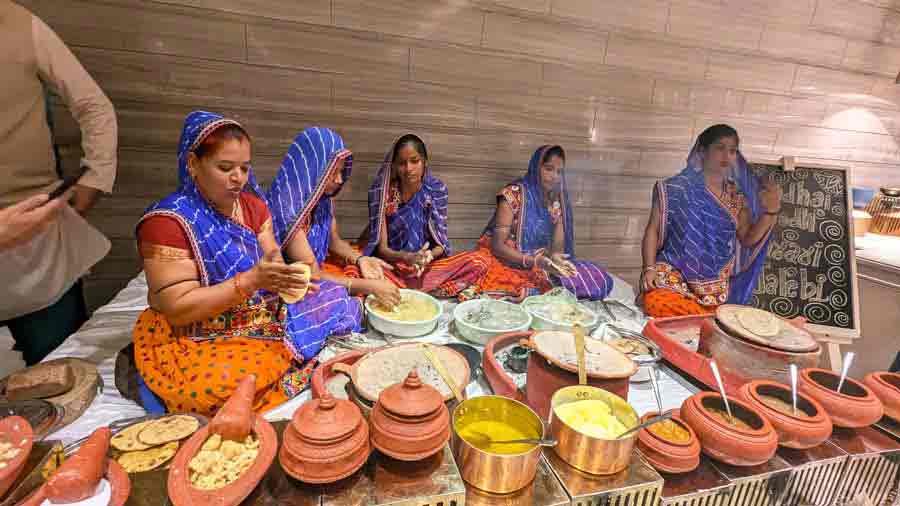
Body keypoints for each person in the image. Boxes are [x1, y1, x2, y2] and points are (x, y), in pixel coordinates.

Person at [133, 112, 363, 415]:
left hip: (262, 312)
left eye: (244, 167)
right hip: (199, 328)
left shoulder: (253, 207)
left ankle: (279, 352)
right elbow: (177, 308)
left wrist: (290, 281)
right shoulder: (169, 222)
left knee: (335, 299)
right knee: (214, 386)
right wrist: (251, 281)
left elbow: (274, 263)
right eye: (225, 167)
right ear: (192, 164)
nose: (238, 177)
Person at [0, 0, 117, 365]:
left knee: (63, 370)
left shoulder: (18, 23)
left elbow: (94, 106)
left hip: (39, 234)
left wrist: (96, 176)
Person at [640, 124, 781, 317]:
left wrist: (770, 213)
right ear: (702, 150)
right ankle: (704, 320)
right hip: (674, 272)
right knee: (655, 303)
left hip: (713, 283)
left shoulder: (736, 198)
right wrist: (649, 269)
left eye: (732, 151)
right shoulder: (676, 188)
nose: (726, 156)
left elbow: (748, 238)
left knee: (725, 315)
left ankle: (703, 318)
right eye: (720, 148)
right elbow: (653, 230)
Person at [271, 129, 402, 307]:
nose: (340, 179)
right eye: (333, 172)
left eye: (341, 171)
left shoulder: (323, 199)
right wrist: (371, 287)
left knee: (383, 275)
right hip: (302, 284)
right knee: (348, 304)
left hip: (320, 269)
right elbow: (314, 275)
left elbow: (334, 241)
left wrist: (360, 259)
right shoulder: (288, 209)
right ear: (312, 167)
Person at [465, 145, 614, 301]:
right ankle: (533, 292)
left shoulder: (556, 202)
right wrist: (533, 261)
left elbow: (556, 250)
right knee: (479, 267)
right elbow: (497, 246)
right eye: (549, 169)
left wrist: (556, 262)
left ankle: (536, 291)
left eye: (559, 172)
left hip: (541, 264)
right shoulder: (513, 194)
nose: (554, 176)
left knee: (598, 276)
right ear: (536, 168)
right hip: (506, 261)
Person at [359, 134, 488, 296]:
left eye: (414, 161)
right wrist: (406, 257)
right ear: (393, 166)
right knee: (357, 272)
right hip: (393, 266)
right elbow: (382, 249)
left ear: (425, 162)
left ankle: (408, 290)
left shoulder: (436, 190)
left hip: (424, 267)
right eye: (401, 163)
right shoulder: (383, 193)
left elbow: (441, 244)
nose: (408, 169)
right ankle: (422, 290)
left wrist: (426, 257)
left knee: (479, 261)